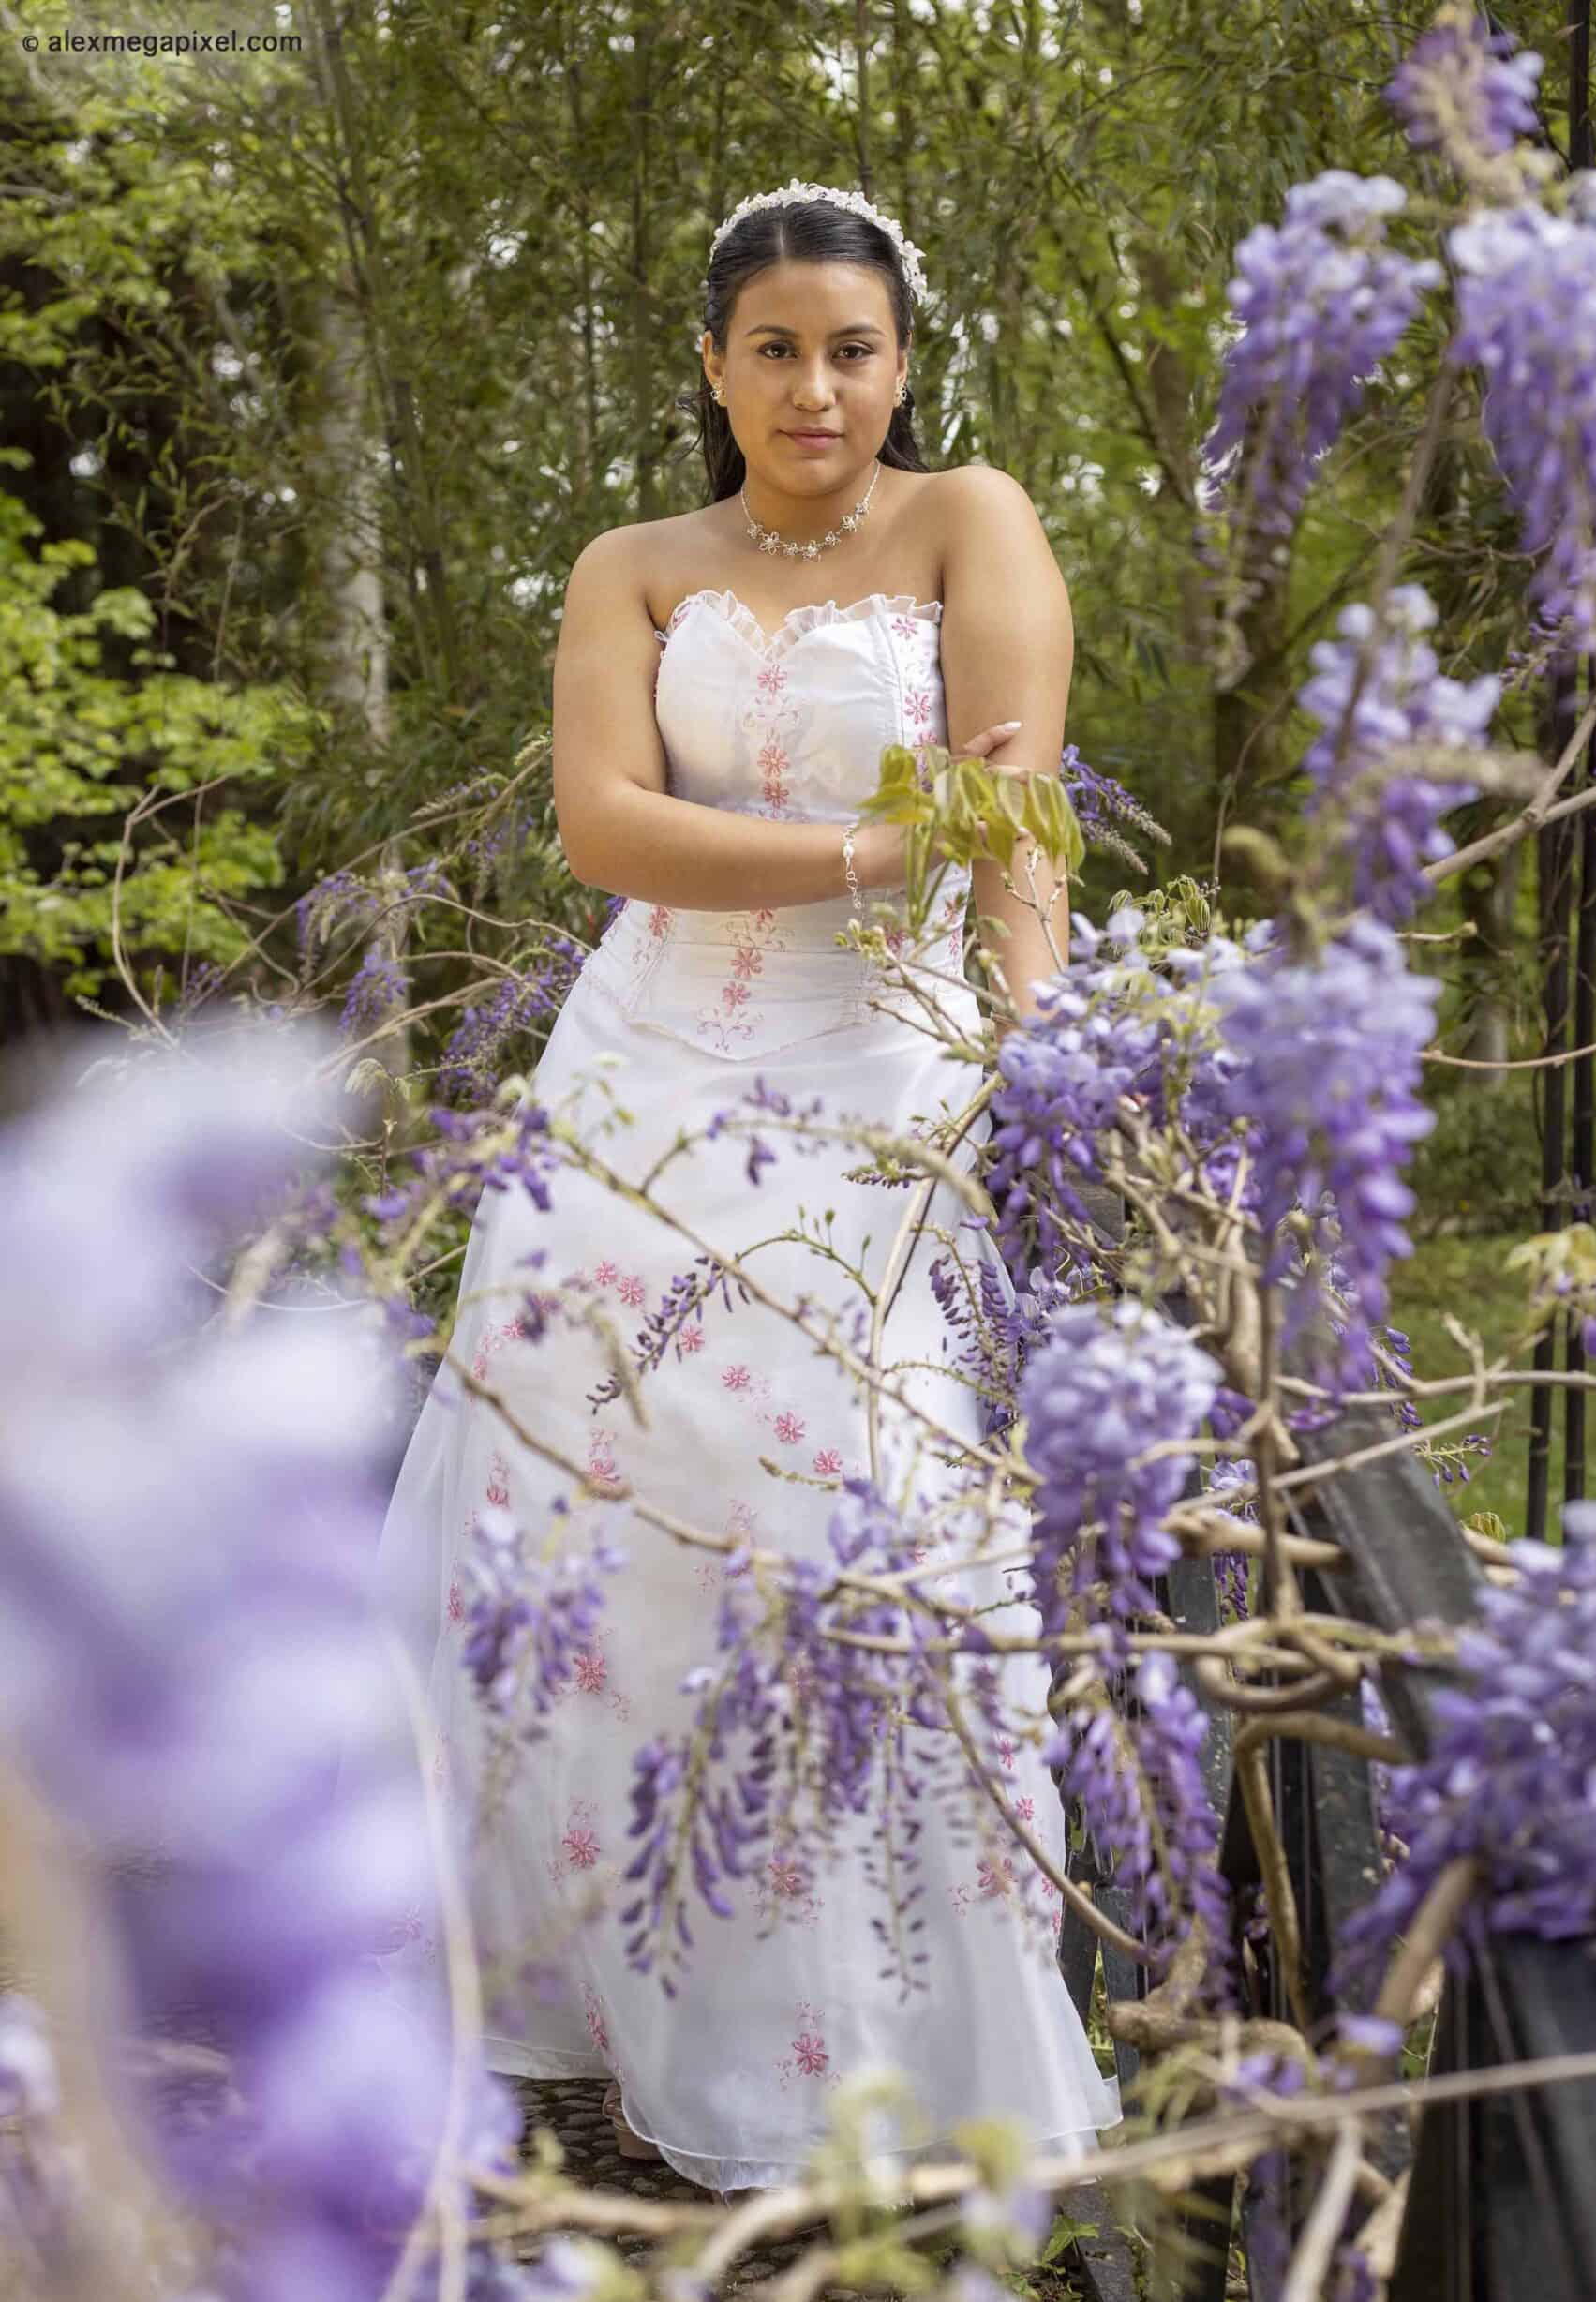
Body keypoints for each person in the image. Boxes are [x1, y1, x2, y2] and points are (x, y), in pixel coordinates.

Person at [376, 182, 1121, 2194]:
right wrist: (885, 845)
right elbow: (610, 830)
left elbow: (1015, 815)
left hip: (877, 1067)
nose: (816, 386)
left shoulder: (973, 517)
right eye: (774, 346)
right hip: (636, 1076)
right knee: (589, 1516)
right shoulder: (631, 562)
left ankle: (860, 2052)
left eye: (852, 348)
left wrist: (1034, 1039)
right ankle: (618, 1997)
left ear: (900, 364)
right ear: (711, 365)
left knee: (846, 1505)